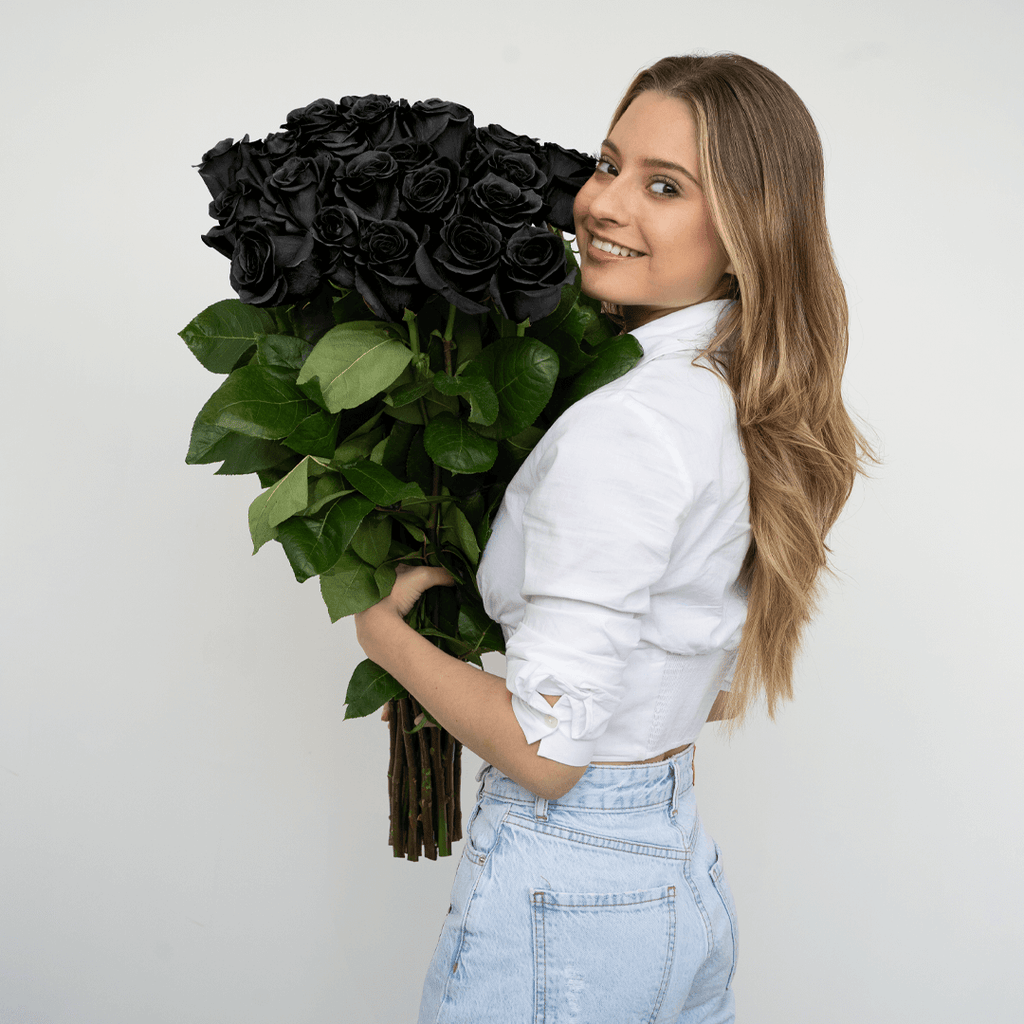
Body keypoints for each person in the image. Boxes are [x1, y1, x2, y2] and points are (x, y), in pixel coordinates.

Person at [354, 52, 872, 1023]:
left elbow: (548, 753)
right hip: (675, 871)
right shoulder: (733, 397)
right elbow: (692, 682)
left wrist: (383, 636)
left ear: (743, 232)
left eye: (664, 185)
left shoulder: (630, 427)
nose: (601, 202)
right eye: (607, 162)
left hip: (568, 890)